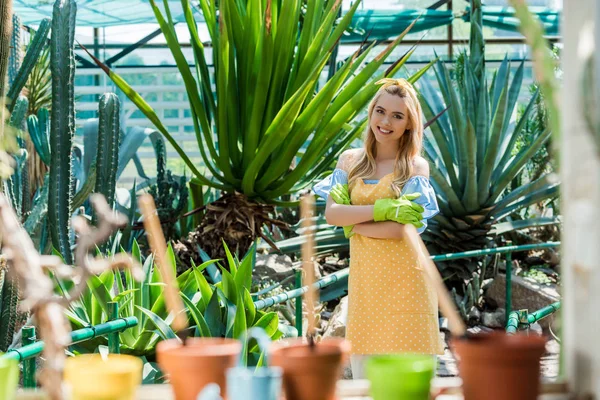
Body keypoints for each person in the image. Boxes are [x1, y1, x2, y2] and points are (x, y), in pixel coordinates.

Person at [313, 78, 443, 379]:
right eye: (380, 111)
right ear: (371, 113)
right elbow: (332, 214)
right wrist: (382, 211)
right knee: (367, 380)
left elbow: (402, 231)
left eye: (398, 116)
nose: (386, 122)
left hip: (409, 285)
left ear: (410, 124)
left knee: (408, 386)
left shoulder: (414, 166)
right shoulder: (349, 161)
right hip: (366, 286)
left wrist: (355, 224)